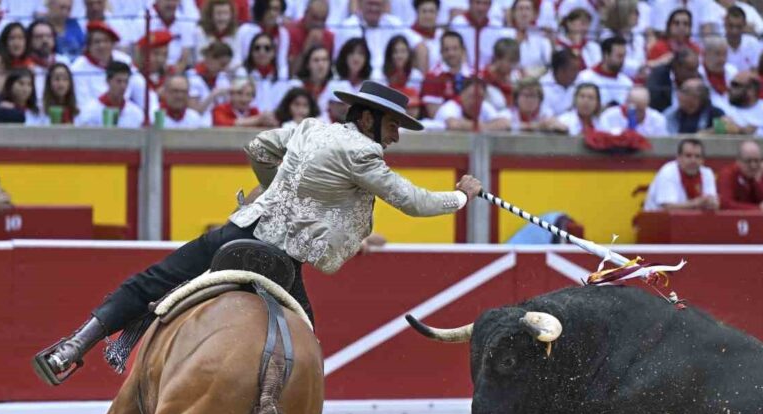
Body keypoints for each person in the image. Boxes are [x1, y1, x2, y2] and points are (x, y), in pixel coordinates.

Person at [32, 80, 483, 389]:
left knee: (150, 282)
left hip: (240, 229)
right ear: (368, 121)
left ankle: (73, 347)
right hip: (281, 260)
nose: (396, 138)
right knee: (303, 347)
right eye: (393, 126)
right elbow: (414, 202)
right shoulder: (364, 154)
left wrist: (275, 190)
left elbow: (259, 146)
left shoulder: (310, 129)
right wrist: (461, 197)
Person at [643, 138, 719, 211]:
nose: (693, 160)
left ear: (703, 160)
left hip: (689, 221)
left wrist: (712, 204)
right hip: (657, 221)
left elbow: (713, 203)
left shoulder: (707, 173)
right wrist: (697, 203)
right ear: (678, 158)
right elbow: (668, 208)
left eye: (697, 156)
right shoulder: (668, 172)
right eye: (688, 156)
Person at [75, 61, 145, 128]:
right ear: (108, 81)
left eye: (126, 81)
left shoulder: (136, 113)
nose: (123, 86)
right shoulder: (90, 112)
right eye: (119, 81)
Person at [717, 140, 763, 211]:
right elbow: (725, 204)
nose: (753, 165)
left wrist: (758, 182)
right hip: (732, 220)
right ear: (738, 161)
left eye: (757, 161)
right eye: (748, 161)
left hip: (761, 220)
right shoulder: (727, 174)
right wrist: (758, 209)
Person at [433, 76, 511, 131]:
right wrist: (487, 126)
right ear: (462, 95)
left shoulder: (484, 106)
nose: (475, 101)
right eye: (472, 96)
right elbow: (453, 125)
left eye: (479, 97)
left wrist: (479, 127)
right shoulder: (450, 107)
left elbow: (504, 123)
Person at [574, 36, 632, 108]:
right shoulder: (585, 78)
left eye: (624, 56)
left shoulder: (627, 82)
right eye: (619, 56)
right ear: (606, 55)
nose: (623, 60)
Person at [598, 86, 667, 137]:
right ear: (626, 103)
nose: (637, 114)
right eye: (634, 109)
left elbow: (662, 144)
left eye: (640, 110)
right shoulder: (609, 116)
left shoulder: (657, 119)